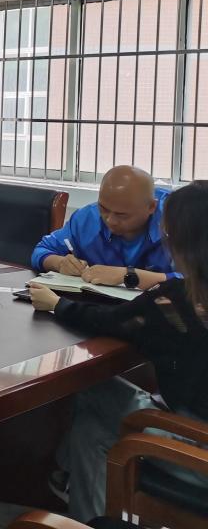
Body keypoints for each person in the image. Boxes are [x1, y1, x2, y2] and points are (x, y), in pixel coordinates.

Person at [29, 180, 208, 523]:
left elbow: (110, 322)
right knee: (91, 432)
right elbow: (42, 250)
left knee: (89, 385)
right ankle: (86, 512)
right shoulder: (186, 295)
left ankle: (62, 479)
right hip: (193, 426)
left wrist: (56, 304)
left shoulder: (180, 301)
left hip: (195, 448)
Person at [31, 165, 175, 290]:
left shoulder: (177, 220)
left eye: (121, 215)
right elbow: (41, 250)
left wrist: (129, 275)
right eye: (104, 209)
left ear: (151, 207)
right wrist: (59, 263)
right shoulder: (87, 219)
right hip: (98, 307)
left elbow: (188, 280)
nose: (110, 220)